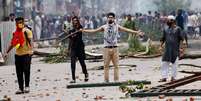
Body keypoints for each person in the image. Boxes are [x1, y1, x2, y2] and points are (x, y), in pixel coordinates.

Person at [82, 12, 143, 82]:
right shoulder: (104, 27)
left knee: (116, 65)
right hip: (106, 48)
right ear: (107, 19)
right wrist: (84, 31)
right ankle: (106, 80)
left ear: (114, 19)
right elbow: (94, 31)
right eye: (109, 17)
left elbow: (127, 30)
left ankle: (116, 80)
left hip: (115, 48)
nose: (110, 19)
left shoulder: (117, 26)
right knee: (106, 65)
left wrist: (136, 32)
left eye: (112, 17)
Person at [4, 17, 33, 94]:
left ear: (23, 23)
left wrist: (31, 51)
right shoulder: (15, 32)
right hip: (18, 55)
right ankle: (21, 88)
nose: (18, 24)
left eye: (20, 22)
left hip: (26, 54)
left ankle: (27, 86)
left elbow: (30, 42)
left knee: (26, 71)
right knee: (19, 72)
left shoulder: (27, 31)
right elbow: (13, 44)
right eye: (17, 23)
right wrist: (7, 52)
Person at [159, 15, 184, 82]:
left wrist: (181, 48)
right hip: (167, 49)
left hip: (175, 49)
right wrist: (160, 46)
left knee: (175, 64)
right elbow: (163, 38)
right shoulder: (165, 29)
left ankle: (173, 77)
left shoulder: (178, 29)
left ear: (173, 21)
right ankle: (164, 77)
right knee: (164, 63)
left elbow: (181, 39)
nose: (167, 21)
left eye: (169, 20)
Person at [68, 16, 88, 83]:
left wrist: (79, 31)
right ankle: (73, 78)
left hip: (80, 48)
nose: (75, 22)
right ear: (72, 21)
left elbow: (81, 31)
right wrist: (68, 49)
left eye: (76, 20)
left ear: (78, 21)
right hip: (73, 48)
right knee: (72, 63)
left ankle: (86, 74)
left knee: (82, 63)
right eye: (74, 20)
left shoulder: (80, 27)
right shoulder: (71, 30)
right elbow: (70, 40)